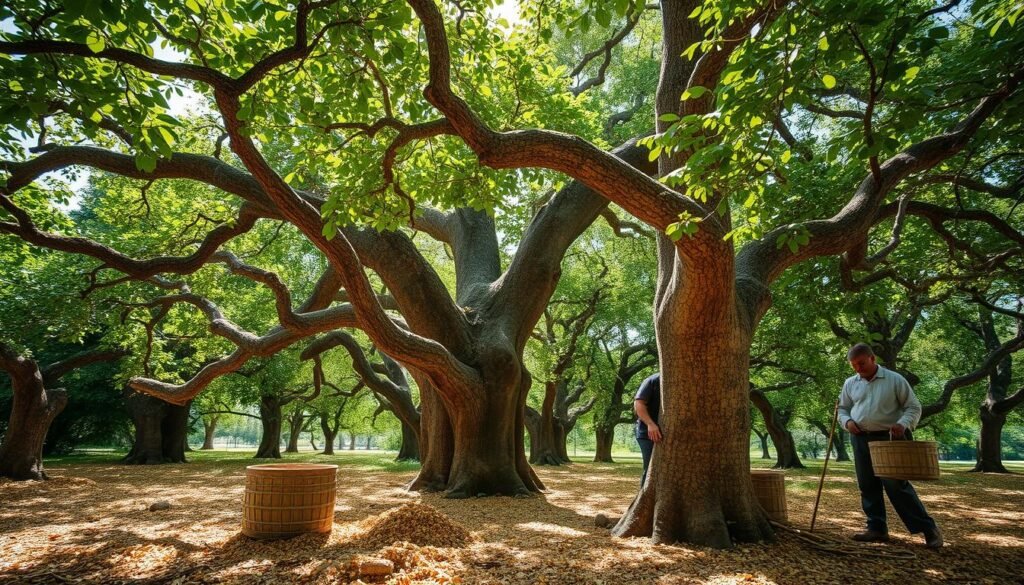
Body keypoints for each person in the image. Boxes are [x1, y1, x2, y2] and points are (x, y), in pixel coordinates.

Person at [838, 343, 943, 549]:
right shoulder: (850, 383)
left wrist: (903, 424)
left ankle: (928, 529)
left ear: (872, 358)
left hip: (890, 439)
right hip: (860, 438)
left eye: (861, 363)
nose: (858, 368)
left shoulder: (894, 379)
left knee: (896, 485)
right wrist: (847, 422)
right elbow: (842, 408)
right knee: (867, 484)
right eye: (854, 365)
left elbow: (913, 407)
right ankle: (876, 528)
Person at [633, 372, 661, 486]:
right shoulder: (652, 380)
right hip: (647, 434)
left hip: (666, 433)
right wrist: (650, 424)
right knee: (650, 468)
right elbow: (639, 403)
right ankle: (645, 496)